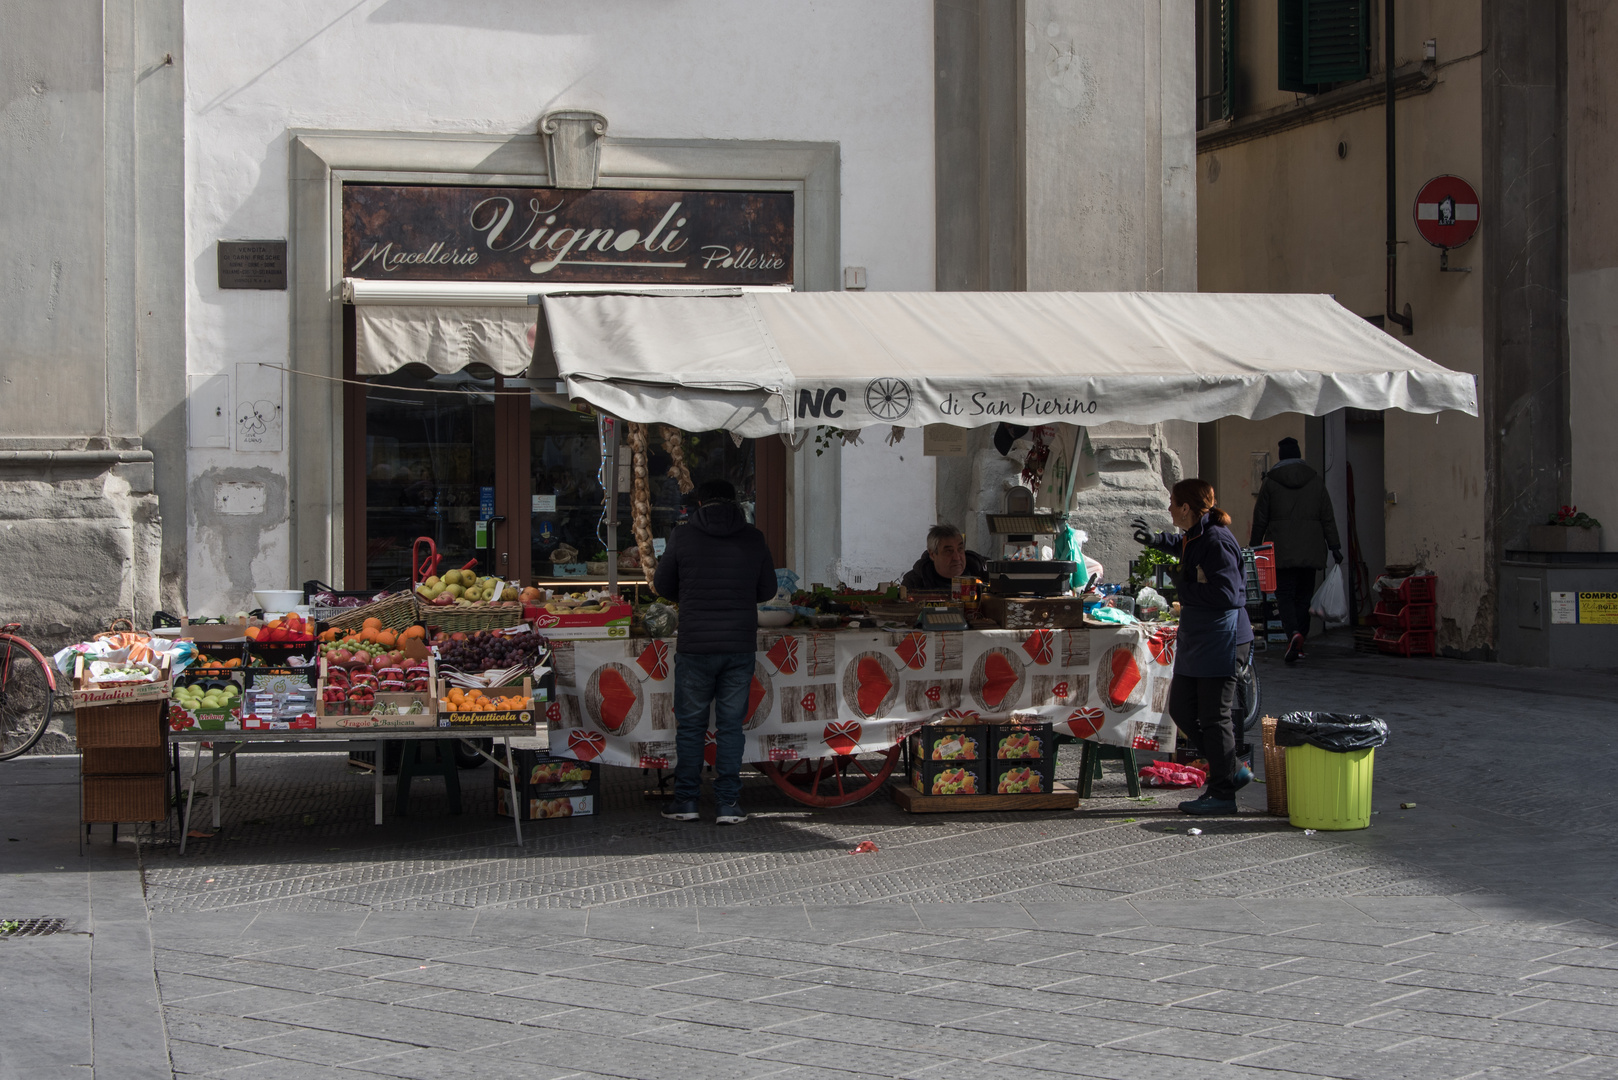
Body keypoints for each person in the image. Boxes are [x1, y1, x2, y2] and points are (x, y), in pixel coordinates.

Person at [652, 478, 778, 825]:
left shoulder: (683, 536)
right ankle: (727, 805)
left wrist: (692, 589)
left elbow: (662, 585)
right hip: (738, 645)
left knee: (691, 727)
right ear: (735, 502)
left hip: (695, 645)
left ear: (700, 503)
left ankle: (687, 801)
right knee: (730, 727)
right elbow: (767, 590)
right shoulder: (753, 537)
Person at [1132, 479, 1255, 816]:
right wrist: (1156, 540)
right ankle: (1231, 770)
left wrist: (1183, 588)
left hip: (1223, 638)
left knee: (1215, 717)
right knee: (1183, 710)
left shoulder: (1217, 540)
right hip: (1200, 638)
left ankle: (1223, 793)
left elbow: (1229, 595)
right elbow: (1184, 545)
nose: (1169, 507)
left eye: (1172, 502)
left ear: (1186, 507)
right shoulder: (1196, 534)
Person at [1250, 437, 1342, 665]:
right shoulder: (1316, 481)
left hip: (1281, 551)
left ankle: (1293, 634)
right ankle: (1301, 640)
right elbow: (1327, 517)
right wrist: (1335, 546)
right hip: (1311, 550)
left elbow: (1260, 518)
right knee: (1303, 597)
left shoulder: (1270, 483)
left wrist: (1254, 546)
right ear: (1299, 454)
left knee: (1284, 595)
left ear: (1280, 456)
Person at [901, 524, 988, 592]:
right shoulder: (915, 582)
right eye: (949, 551)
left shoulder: (983, 572)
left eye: (960, 549)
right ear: (932, 554)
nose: (957, 558)